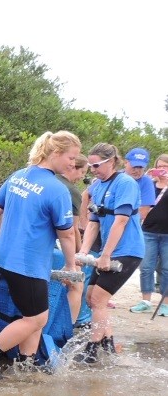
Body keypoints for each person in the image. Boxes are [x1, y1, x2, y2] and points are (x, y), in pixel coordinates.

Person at [0, 131, 80, 380]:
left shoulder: (19, 175)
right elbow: (66, 235)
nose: (73, 164)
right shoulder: (57, 189)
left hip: (4, 258)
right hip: (27, 264)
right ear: (55, 153)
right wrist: (71, 264)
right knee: (36, 318)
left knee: (33, 317)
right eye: (71, 158)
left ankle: (26, 364)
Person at [75, 143, 145, 363]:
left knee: (98, 300)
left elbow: (121, 221)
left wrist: (106, 255)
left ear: (111, 161)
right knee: (91, 298)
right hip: (108, 250)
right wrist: (84, 251)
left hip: (128, 251)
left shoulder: (125, 183)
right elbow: (94, 222)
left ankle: (92, 349)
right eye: (90, 165)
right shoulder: (97, 185)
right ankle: (108, 345)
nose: (92, 169)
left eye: (96, 165)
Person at [132, 154, 168, 315]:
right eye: (159, 166)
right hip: (148, 231)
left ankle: (165, 303)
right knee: (146, 267)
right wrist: (147, 178)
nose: (162, 169)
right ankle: (145, 300)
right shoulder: (149, 184)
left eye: (165, 167)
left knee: (166, 269)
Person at [56, 153, 89, 322]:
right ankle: (67, 326)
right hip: (60, 244)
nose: (82, 177)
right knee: (76, 283)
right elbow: (73, 229)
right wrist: (78, 254)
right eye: (82, 172)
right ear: (74, 167)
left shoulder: (51, 178)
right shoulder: (71, 191)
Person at [124, 147, 155, 223]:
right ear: (125, 163)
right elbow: (89, 192)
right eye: (134, 166)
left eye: (140, 167)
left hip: (130, 226)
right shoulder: (115, 176)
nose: (137, 170)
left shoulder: (146, 182)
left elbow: (143, 213)